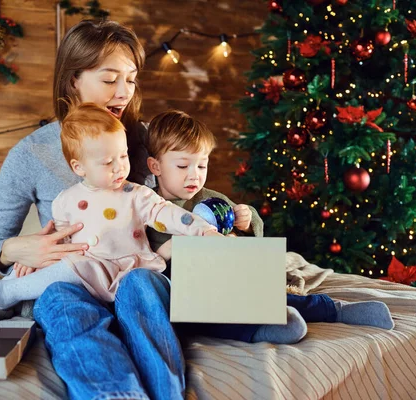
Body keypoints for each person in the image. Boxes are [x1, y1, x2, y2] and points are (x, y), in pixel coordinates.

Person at [0, 20, 185, 400]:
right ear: (74, 80)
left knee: (141, 287)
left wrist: (238, 217)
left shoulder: (144, 139)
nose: (124, 92)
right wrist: (13, 250)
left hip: (138, 273)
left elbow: (198, 199)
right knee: (59, 301)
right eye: (110, 79)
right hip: (73, 279)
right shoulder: (31, 153)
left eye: (132, 79)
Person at [144, 110, 395, 343]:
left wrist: (246, 219)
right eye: (182, 166)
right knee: (200, 321)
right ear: (155, 166)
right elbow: (138, 264)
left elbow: (255, 229)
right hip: (190, 295)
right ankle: (263, 330)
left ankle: (335, 309)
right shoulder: (145, 206)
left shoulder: (210, 199)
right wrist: (171, 249)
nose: (194, 175)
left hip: (230, 278)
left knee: (272, 296)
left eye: (202, 165)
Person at [0, 103, 223, 308]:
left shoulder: (136, 194)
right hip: (87, 272)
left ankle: (7, 292)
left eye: (123, 156)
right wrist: (33, 260)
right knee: (61, 268)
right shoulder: (64, 201)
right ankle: (3, 293)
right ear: (79, 167)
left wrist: (203, 230)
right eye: (107, 162)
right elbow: (61, 244)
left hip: (130, 270)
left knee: (89, 270)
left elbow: (169, 214)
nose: (120, 167)